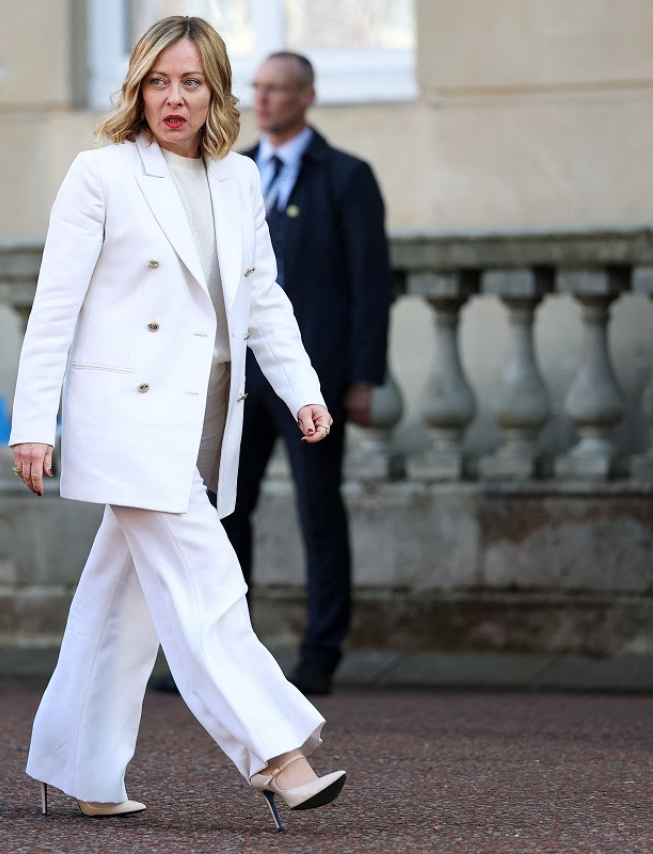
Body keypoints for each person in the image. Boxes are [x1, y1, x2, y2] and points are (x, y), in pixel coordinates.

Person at [9, 16, 345, 832]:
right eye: (159, 80)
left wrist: (301, 386)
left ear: (215, 91)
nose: (174, 97)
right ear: (137, 87)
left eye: (191, 81)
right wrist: (32, 421)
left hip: (207, 415)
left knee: (119, 603)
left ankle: (76, 765)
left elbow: (262, 298)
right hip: (126, 416)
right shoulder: (101, 176)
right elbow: (55, 306)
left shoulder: (237, 179)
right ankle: (276, 756)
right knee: (207, 583)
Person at [223, 52, 395, 697]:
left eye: (276, 90)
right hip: (239, 375)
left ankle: (321, 651)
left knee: (318, 511)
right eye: (257, 89)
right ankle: (223, 652)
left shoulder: (346, 177)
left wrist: (361, 378)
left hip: (310, 378)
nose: (262, 101)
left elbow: (370, 286)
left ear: (307, 97)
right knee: (224, 511)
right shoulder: (231, 171)